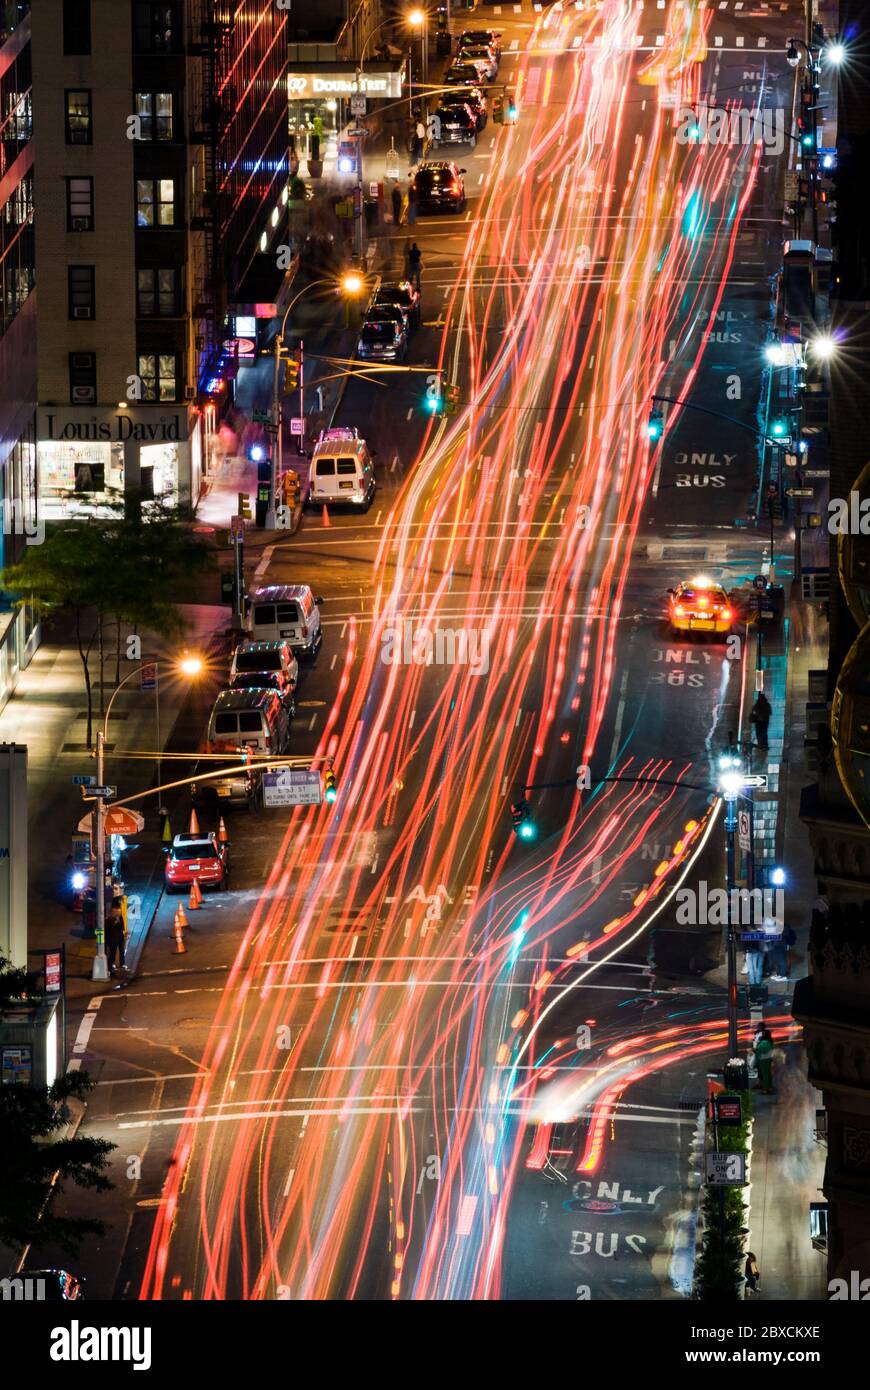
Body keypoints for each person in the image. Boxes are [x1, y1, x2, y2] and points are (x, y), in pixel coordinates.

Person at [105, 897, 127, 975]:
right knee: (112, 953)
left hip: (120, 937)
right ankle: (111, 966)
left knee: (121, 951)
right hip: (113, 939)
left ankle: (122, 964)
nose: (118, 913)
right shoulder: (109, 920)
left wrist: (124, 933)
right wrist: (115, 923)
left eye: (119, 911)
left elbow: (122, 925)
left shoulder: (119, 917)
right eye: (116, 912)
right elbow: (108, 930)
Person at [754, 1027, 775, 1093]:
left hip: (763, 1060)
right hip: (769, 1059)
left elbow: (758, 1050)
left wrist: (755, 1048)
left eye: (762, 1034)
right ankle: (770, 1087)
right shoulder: (770, 1042)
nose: (761, 1035)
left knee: (765, 1075)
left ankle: (765, 1089)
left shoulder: (763, 1042)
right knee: (769, 1074)